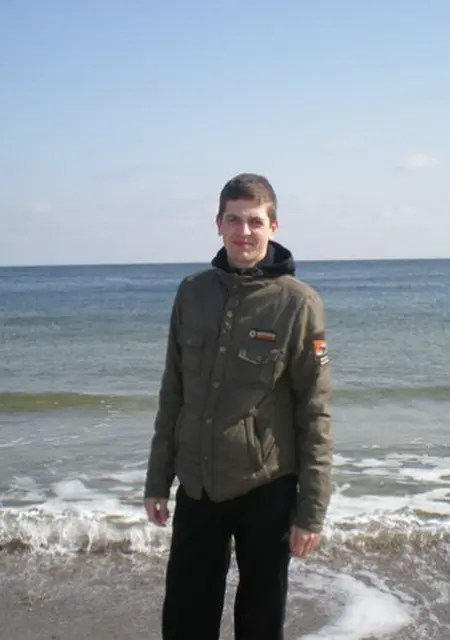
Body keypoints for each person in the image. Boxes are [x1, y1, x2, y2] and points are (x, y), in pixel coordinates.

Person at [144, 173, 333, 640]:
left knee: (260, 624)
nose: (243, 232)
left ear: (273, 226)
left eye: (254, 221)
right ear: (218, 224)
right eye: (233, 220)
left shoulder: (299, 304)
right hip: (198, 486)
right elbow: (173, 393)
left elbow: (315, 412)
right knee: (185, 621)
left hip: (266, 488)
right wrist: (157, 480)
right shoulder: (192, 292)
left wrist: (310, 511)